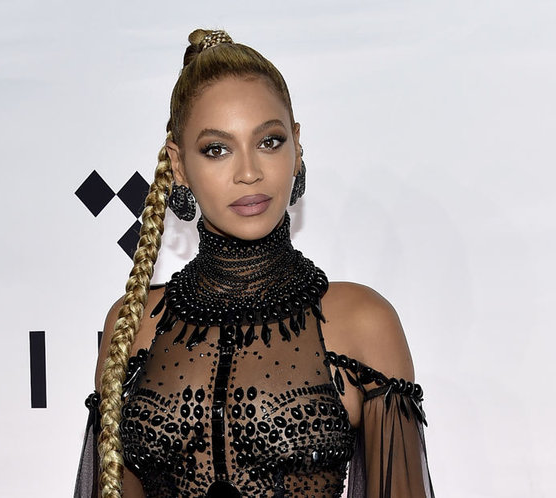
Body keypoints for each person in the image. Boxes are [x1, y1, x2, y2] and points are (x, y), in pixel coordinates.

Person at [74, 28, 434, 498]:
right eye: (217, 149)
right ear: (178, 165)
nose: (249, 172)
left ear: (297, 146)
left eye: (269, 141)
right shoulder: (133, 325)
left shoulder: (363, 322)